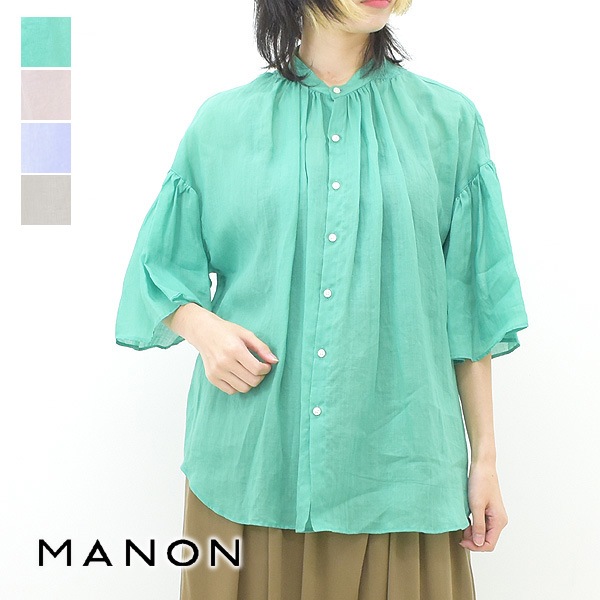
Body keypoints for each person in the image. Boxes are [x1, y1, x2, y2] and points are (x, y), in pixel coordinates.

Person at [115, 0, 529, 598]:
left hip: (400, 468)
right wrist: (205, 330)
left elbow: (471, 310)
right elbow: (158, 269)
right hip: (253, 463)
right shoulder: (222, 123)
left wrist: (485, 460)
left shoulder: (448, 122)